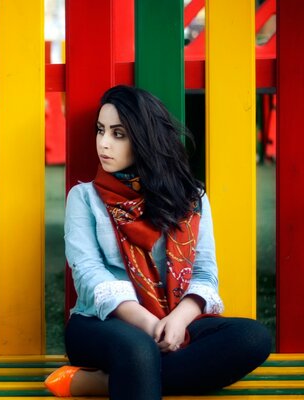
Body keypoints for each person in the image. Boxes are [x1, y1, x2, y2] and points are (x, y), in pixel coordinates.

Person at [45, 85, 271, 399]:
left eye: (118, 134)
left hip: (175, 315)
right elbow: (89, 275)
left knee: (252, 337)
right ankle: (141, 366)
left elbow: (205, 272)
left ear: (144, 138)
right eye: (101, 131)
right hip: (101, 323)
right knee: (138, 349)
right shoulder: (84, 198)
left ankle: (102, 384)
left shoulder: (191, 198)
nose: (103, 143)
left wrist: (177, 321)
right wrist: (151, 326)